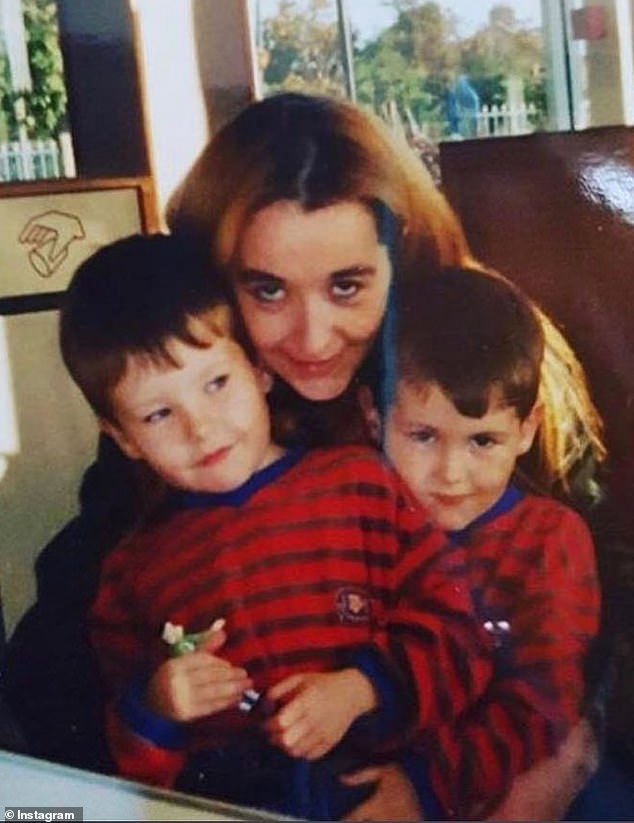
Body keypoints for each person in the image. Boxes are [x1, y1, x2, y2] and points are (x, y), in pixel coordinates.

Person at [2, 92, 606, 817]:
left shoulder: (474, 364)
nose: (313, 338)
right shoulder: (197, 435)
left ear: (402, 260)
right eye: (267, 289)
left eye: (348, 285)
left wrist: (527, 785)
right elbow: (57, 673)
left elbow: (573, 638)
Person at [60, 233, 492, 820]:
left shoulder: (361, 485)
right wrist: (156, 705)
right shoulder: (130, 570)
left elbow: (461, 633)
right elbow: (130, 770)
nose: (202, 429)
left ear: (260, 371)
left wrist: (361, 690)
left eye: (217, 384)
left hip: (380, 791)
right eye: (159, 414)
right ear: (123, 439)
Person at [356, 266, 600, 819]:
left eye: (482, 441)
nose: (451, 473)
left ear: (527, 429)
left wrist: (422, 786)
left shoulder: (549, 541)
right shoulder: (361, 522)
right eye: (422, 436)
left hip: (481, 790)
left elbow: (545, 701)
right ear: (374, 418)